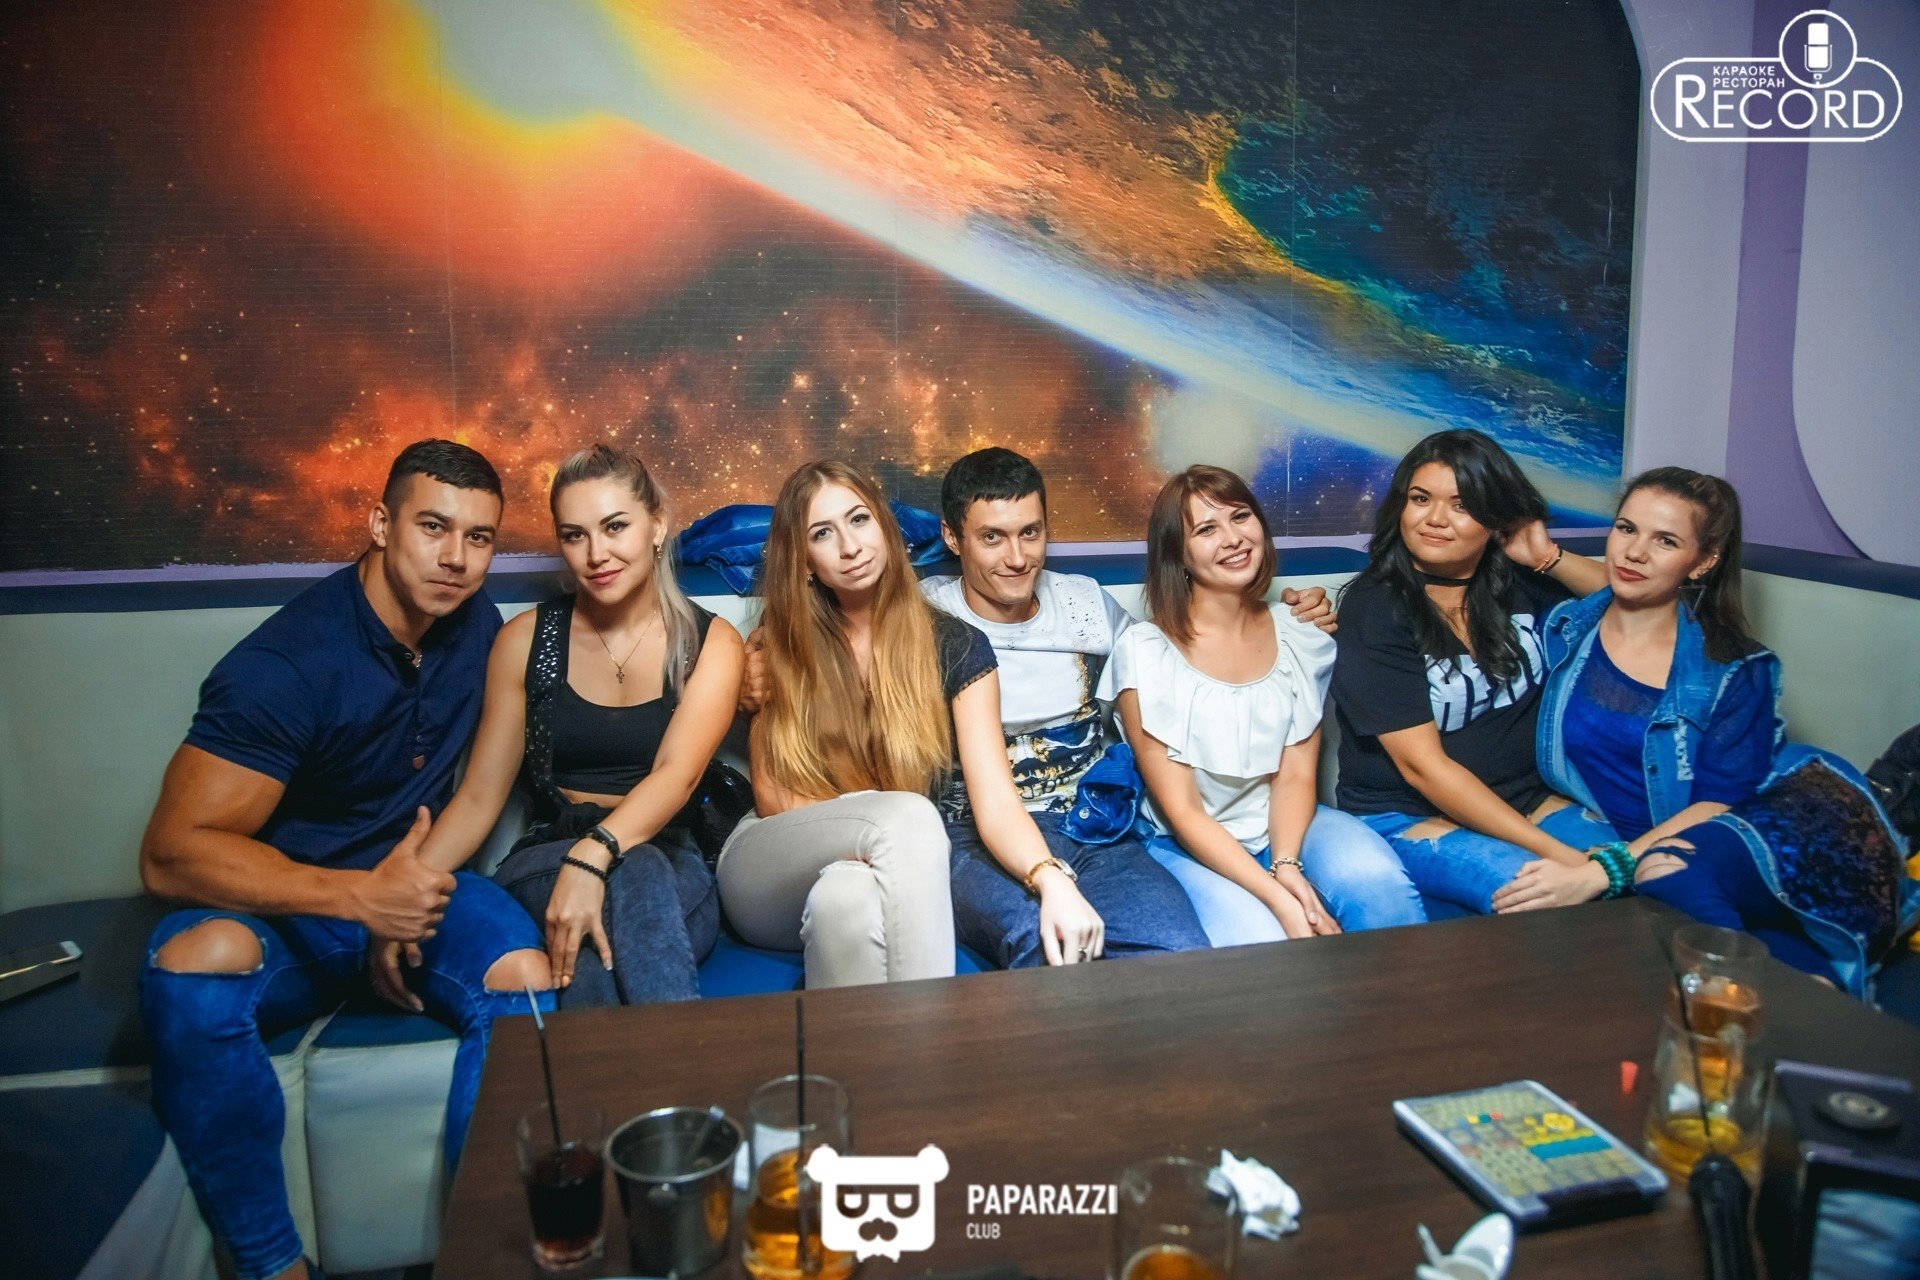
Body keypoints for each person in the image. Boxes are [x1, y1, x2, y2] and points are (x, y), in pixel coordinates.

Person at [138, 441, 552, 1280]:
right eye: (432, 527)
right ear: (380, 524)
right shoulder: (286, 663)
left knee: (523, 974)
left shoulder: (477, 626)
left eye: (478, 538)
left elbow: (478, 795)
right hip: (286, 911)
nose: (455, 557)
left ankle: (482, 1258)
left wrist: (404, 901)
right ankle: (271, 1264)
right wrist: (360, 900)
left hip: (413, 892)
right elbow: (170, 855)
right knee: (194, 960)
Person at [719, 460, 1109, 983]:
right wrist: (876, 831)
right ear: (805, 560)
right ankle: (935, 1026)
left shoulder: (955, 646)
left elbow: (996, 802)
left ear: (884, 526)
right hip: (771, 862)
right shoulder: (780, 641)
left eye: (859, 520)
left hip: (870, 870)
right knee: (911, 817)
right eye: (822, 534)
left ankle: (864, 1040)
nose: (850, 547)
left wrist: (1052, 880)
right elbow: (773, 799)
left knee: (846, 898)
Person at [1530, 468, 1917, 991]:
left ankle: (1740, 1008)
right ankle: (1815, 994)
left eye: (1666, 540)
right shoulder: (1565, 628)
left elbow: (1719, 804)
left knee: (1668, 871)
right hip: (1643, 841)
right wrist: (1545, 556)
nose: (1634, 552)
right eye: (1626, 528)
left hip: (1753, 826)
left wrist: (1608, 869)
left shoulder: (1735, 668)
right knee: (1742, 936)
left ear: (1703, 561)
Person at [412, 445, 743, 1008]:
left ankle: (595, 1068)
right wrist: (404, 894)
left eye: (615, 527)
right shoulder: (525, 640)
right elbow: (478, 799)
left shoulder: (709, 643)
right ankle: (684, 1061)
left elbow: (678, 775)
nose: (595, 554)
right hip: (548, 855)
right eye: (574, 535)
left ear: (657, 525)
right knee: (624, 888)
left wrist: (595, 854)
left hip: (668, 860)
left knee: (631, 880)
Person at [1100, 465, 1426, 945]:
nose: (1233, 538)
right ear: (1178, 554)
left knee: (1380, 888)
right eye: (1206, 529)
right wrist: (1279, 898)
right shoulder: (1145, 651)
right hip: (1183, 841)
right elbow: (1183, 811)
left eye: (1240, 516)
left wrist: (1287, 865)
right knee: (1260, 937)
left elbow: (1295, 775)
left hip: (1286, 822)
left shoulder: (1299, 632)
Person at [1331, 429, 1614, 915]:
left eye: (1461, 505)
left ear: (1495, 517)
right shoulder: (1375, 607)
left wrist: (1546, 557)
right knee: (1548, 895)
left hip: (1530, 801)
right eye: (1420, 499)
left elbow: (1639, 607)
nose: (1435, 519)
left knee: (1655, 868)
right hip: (1409, 817)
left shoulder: (1518, 583)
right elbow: (1424, 769)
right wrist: (1566, 858)